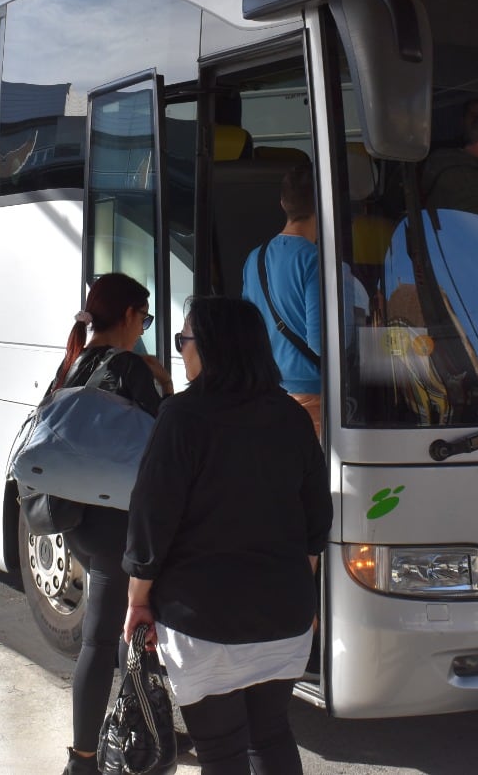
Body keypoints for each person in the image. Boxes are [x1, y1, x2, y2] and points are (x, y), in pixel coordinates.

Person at [123, 296, 332, 775]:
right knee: (272, 735)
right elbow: (317, 518)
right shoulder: (292, 416)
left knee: (220, 750)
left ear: (211, 346)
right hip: (284, 617)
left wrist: (137, 600)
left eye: (184, 340)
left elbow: (151, 521)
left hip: (204, 623)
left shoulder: (182, 416)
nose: (180, 350)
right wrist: (299, 584)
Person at [52, 272, 174, 775]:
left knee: (111, 636)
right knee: (108, 639)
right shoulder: (129, 367)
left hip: (80, 521)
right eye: (143, 318)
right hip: (120, 522)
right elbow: (162, 440)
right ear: (127, 316)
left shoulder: (73, 363)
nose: (143, 327)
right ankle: (90, 755)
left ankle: (104, 743)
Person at [241, 162, 323, 435]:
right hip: (312, 400)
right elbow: (321, 343)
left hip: (269, 393)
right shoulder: (314, 261)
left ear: (282, 203)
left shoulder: (255, 257)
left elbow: (248, 330)